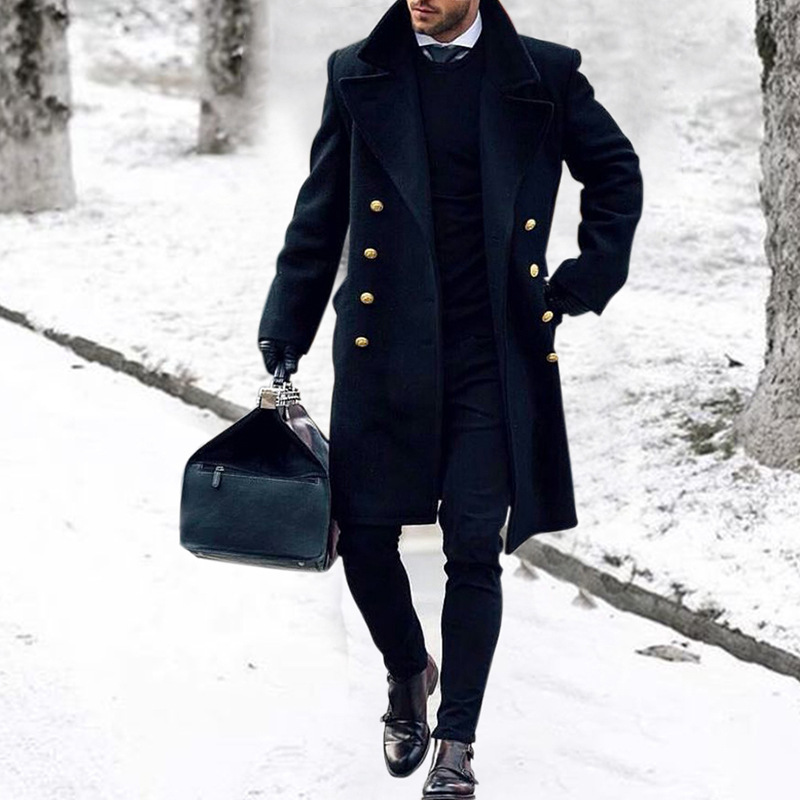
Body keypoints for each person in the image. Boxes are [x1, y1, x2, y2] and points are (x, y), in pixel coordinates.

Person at [258, 0, 643, 796]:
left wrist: (587, 276)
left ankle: (457, 742)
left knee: (473, 544)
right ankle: (408, 671)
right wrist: (285, 326)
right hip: (383, 350)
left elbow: (615, 172)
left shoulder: (544, 73)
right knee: (364, 540)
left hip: (491, 357)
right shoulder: (357, 72)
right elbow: (320, 213)